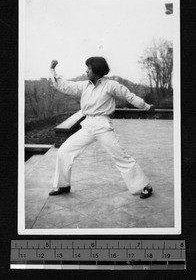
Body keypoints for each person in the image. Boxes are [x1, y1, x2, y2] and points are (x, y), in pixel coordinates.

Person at [49, 57, 154, 199]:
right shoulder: (84, 86)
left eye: (89, 68)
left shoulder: (111, 85)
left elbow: (129, 96)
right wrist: (52, 69)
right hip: (87, 126)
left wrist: (146, 106)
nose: (86, 71)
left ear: (97, 70)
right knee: (63, 151)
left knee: (120, 156)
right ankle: (63, 185)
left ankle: (145, 186)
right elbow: (64, 85)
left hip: (103, 126)